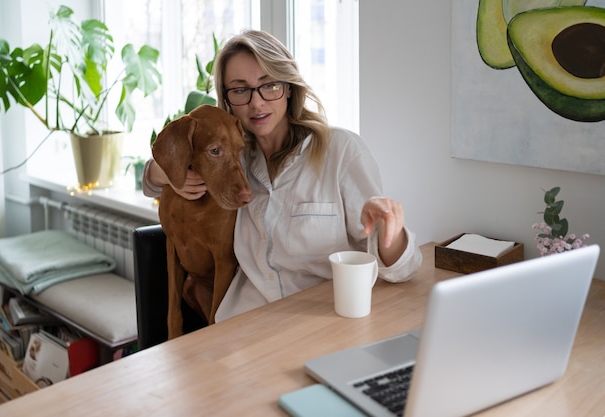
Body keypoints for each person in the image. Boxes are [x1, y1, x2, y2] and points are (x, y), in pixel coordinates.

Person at [142, 29, 422, 322]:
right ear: (227, 100)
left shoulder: (341, 151)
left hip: (323, 321)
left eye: (269, 85)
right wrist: (163, 173)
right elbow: (152, 180)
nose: (257, 103)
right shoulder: (230, 161)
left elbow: (405, 269)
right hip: (243, 324)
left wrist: (391, 231)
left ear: (288, 87)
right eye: (240, 90)